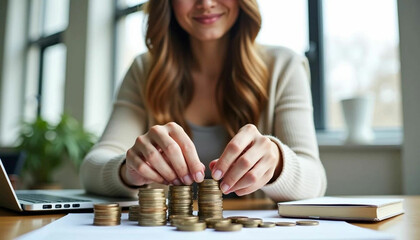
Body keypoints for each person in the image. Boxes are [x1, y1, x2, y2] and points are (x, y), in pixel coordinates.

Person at [81, 0, 326, 201]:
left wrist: (278, 161)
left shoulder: (284, 66)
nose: (206, 3)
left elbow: (315, 180)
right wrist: (128, 170)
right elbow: (92, 167)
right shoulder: (144, 69)